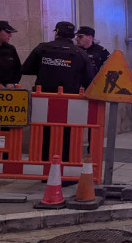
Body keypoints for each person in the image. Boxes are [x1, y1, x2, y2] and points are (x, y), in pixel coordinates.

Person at [21, 21, 95, 161]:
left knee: (44, 133)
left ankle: (44, 166)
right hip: (69, 101)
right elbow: (89, 79)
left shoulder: (42, 48)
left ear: (56, 33)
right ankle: (65, 164)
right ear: (73, 35)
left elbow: (26, 69)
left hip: (43, 99)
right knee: (67, 134)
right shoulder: (80, 53)